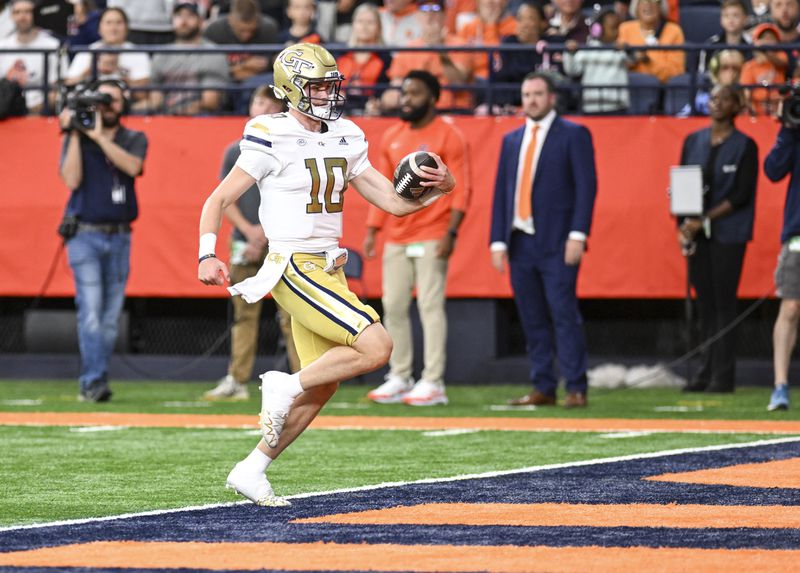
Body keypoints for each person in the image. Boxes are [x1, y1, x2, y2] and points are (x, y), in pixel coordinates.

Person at [197, 43, 455, 505]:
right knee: (377, 345)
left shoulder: (346, 134)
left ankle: (251, 469)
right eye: (315, 86)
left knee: (325, 382)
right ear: (289, 90)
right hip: (293, 265)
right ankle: (282, 384)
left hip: (329, 268)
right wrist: (206, 254)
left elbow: (396, 203)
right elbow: (217, 199)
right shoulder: (268, 132)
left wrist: (445, 188)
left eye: (329, 85)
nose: (326, 94)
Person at [489, 71, 597, 408]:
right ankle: (543, 387)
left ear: (551, 97)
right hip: (520, 241)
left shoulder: (574, 134)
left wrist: (578, 234)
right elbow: (502, 193)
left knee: (563, 313)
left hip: (558, 241)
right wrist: (497, 241)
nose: (531, 100)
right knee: (531, 316)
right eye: (526, 94)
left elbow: (587, 188)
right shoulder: (511, 140)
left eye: (537, 93)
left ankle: (576, 387)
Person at [363, 71, 470, 406]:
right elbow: (382, 191)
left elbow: (462, 187)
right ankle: (400, 375)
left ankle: (433, 381)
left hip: (433, 231)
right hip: (396, 235)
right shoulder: (392, 136)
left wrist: (452, 232)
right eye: (404, 93)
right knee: (393, 306)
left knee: (429, 306)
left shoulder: (449, 135)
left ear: (434, 98)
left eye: (415, 93)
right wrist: (372, 229)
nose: (406, 99)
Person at [204, 85, 301, 401]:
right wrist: (250, 232)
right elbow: (224, 198)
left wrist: (266, 235)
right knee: (243, 313)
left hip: (281, 241)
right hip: (246, 241)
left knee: (293, 314)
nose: (262, 108)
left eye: (270, 104)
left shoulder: (292, 148)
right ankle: (237, 378)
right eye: (258, 101)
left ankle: (305, 382)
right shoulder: (237, 149)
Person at [57, 79, 147, 403]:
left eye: (112, 100)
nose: (107, 106)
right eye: (101, 101)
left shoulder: (134, 137)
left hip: (120, 235)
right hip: (84, 235)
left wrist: (98, 137)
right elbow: (71, 179)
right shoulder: (77, 137)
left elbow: (133, 167)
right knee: (91, 311)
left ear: (123, 103)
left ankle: (95, 378)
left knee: (110, 319)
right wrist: (75, 134)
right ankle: (93, 381)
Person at [677, 85, 758, 394]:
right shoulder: (692, 141)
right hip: (698, 235)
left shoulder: (745, 145)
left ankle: (723, 376)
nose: (717, 103)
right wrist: (683, 226)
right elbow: (682, 183)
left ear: (736, 105)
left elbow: (741, 194)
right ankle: (703, 370)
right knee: (705, 304)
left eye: (725, 99)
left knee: (724, 304)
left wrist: (704, 220)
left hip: (729, 234)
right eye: (713, 98)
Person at [765, 98, 800, 411]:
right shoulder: (794, 132)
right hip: (798, 234)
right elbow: (772, 170)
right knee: (790, 307)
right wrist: (788, 129)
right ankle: (780, 385)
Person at [382, 0, 474, 111]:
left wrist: (440, 49)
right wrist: (382, 102)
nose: (430, 15)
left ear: (444, 15)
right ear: (417, 16)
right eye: (424, 10)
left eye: (435, 9)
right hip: (417, 111)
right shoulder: (408, 49)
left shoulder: (461, 45)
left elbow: (458, 83)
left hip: (453, 110)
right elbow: (395, 87)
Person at [147, 2, 230, 115]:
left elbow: (211, 101)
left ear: (201, 21)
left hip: (202, 117)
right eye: (179, 16)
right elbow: (155, 98)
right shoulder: (162, 53)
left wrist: (176, 111)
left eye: (190, 15)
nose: (184, 21)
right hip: (165, 116)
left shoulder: (213, 52)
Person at [66, 6, 151, 100]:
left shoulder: (138, 53)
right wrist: (91, 70)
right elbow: (68, 86)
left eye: (118, 23)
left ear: (126, 27)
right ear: (99, 28)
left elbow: (143, 95)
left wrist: (119, 72)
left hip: (126, 105)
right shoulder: (87, 52)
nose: (113, 28)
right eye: (108, 23)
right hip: (91, 103)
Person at [0, 0, 66, 114]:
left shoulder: (53, 45)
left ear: (36, 14)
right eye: (17, 12)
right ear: (11, 16)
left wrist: (33, 113)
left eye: (27, 12)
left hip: (41, 111)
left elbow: (57, 88)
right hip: (6, 110)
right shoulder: (2, 46)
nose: (22, 17)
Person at [564, 9, 631, 114]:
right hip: (591, 105)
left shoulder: (622, 49)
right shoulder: (588, 49)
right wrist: (569, 53)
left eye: (617, 27)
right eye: (612, 27)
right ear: (597, 29)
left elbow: (634, 59)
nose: (616, 31)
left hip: (617, 106)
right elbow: (573, 70)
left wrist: (628, 50)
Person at [336, 3, 391, 115]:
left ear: (378, 27)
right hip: (339, 110)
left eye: (370, 22)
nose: (364, 27)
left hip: (371, 112)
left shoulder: (386, 58)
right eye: (360, 21)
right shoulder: (340, 53)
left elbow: (386, 90)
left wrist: (378, 104)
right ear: (353, 25)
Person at [617, 0, 685, 83]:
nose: (648, 5)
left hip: (661, 90)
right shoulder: (625, 29)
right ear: (636, 6)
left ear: (661, 7)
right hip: (628, 89)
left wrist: (648, 60)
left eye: (654, 1)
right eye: (643, 1)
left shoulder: (674, 31)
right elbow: (617, 66)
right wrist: (633, 58)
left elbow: (676, 72)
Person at [740, 23, 788, 116]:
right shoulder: (749, 66)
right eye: (764, 38)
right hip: (758, 110)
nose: (767, 41)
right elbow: (746, 93)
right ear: (756, 42)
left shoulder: (781, 56)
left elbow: (782, 64)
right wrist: (750, 108)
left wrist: (766, 50)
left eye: (771, 38)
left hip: (779, 107)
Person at [697, 0, 751, 75]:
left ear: (745, 19)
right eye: (726, 15)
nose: (731, 20)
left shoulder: (752, 46)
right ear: (721, 19)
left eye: (736, 15)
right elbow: (702, 76)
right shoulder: (710, 46)